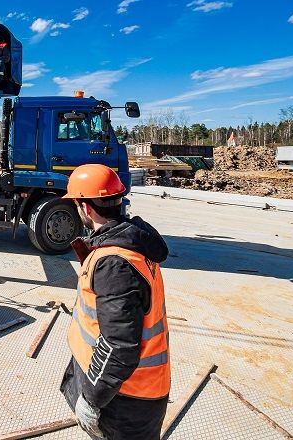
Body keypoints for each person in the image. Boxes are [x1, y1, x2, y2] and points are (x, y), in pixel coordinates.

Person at [60, 164, 170, 440]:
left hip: (126, 399)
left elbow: (119, 346)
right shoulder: (132, 243)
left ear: (85, 207)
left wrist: (92, 400)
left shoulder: (114, 264)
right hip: (131, 391)